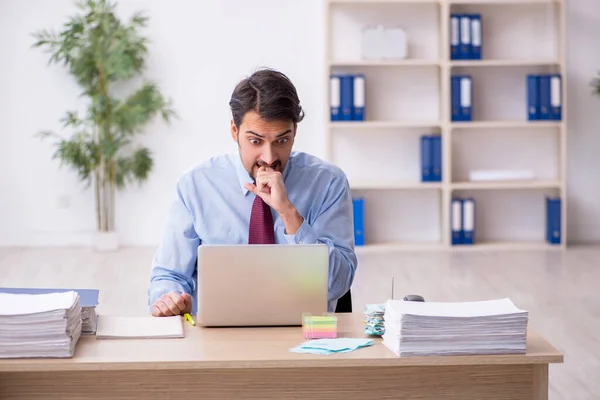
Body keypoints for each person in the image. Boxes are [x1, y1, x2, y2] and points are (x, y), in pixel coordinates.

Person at [148, 68, 357, 317]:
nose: (269, 157)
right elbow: (168, 275)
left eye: (282, 140)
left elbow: (338, 284)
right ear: (235, 132)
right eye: (256, 141)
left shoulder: (328, 182)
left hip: (306, 336)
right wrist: (169, 299)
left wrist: (289, 213)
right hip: (219, 337)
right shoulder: (196, 185)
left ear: (294, 133)